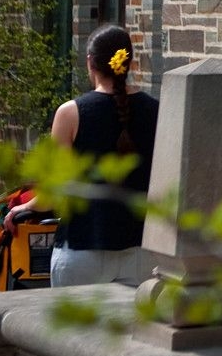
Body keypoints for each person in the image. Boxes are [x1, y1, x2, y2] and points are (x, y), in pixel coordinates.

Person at [46, 24, 160, 287]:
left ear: (90, 62)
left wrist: (21, 208)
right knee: (134, 329)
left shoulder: (71, 112)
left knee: (73, 328)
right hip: (140, 251)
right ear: (129, 62)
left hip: (81, 248)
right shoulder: (157, 110)